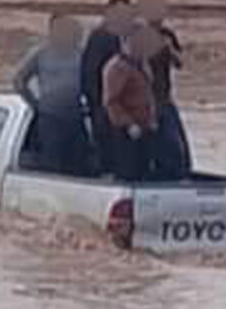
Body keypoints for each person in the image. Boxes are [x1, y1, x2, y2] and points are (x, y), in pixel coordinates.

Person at [13, 14, 88, 175]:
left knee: (80, 164)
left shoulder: (81, 54)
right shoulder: (40, 54)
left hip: (75, 117)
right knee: (53, 164)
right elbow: (19, 80)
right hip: (50, 118)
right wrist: (35, 104)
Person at [80, 0, 136, 173]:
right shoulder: (100, 37)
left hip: (126, 109)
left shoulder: (127, 37)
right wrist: (99, 108)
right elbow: (90, 75)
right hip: (106, 110)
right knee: (113, 158)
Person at [102, 24, 162, 181]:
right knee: (128, 172)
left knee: (145, 171)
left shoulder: (142, 64)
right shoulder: (117, 67)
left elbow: (148, 93)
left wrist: (152, 119)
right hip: (127, 132)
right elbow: (111, 102)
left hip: (145, 128)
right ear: (126, 42)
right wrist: (128, 124)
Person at [140, 0, 192, 178]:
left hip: (165, 97)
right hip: (147, 99)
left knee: (178, 141)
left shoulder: (167, 35)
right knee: (159, 140)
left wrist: (169, 48)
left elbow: (180, 63)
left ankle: (180, 172)